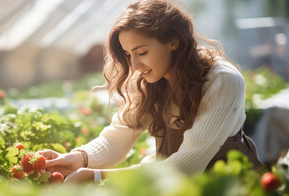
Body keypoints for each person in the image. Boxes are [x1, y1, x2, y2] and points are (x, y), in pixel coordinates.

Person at [39, 0, 267, 183]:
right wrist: (79, 158)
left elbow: (187, 165)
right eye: (129, 55)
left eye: (142, 52)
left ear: (173, 42)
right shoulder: (148, 80)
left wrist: (99, 176)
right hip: (167, 184)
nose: (135, 65)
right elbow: (118, 135)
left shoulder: (222, 80)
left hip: (226, 189)